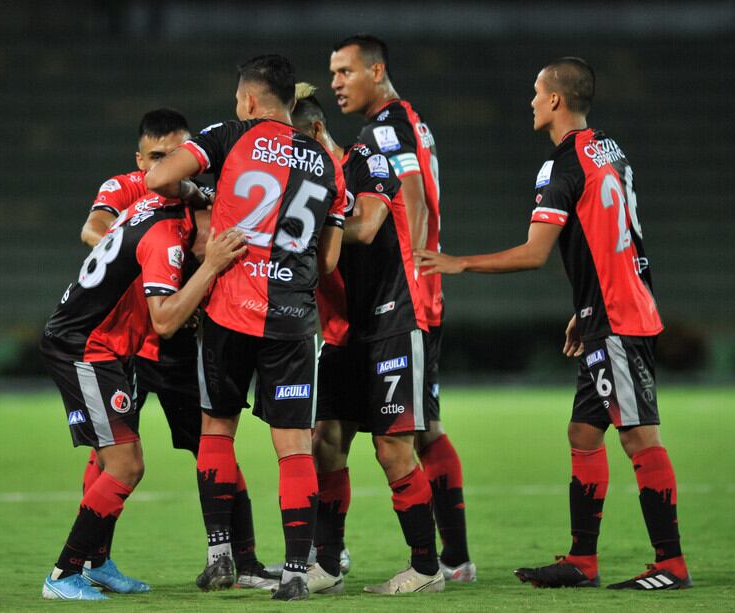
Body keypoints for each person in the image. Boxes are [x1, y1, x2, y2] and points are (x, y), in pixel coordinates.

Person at [416, 57, 692, 591]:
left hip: (617, 318)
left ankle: (671, 564)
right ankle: (581, 561)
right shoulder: (610, 151)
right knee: (584, 432)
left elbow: (534, 253)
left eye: (537, 93)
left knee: (639, 437)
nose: (531, 101)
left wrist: (460, 263)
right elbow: (618, 236)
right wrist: (583, 306)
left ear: (556, 101)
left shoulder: (562, 167)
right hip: (609, 309)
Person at [146, 55, 346, 601]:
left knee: (217, 430)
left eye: (240, 98)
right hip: (292, 319)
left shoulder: (231, 135)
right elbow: (328, 260)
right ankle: (298, 573)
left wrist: (199, 195)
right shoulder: (328, 163)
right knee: (294, 448)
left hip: (231, 309)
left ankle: (219, 558)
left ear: (252, 101)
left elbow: (159, 176)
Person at [78, 109, 275, 591]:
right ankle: (91, 559)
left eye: (177, 155)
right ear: (141, 158)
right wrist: (153, 268)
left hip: (180, 347)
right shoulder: (125, 187)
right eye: (158, 157)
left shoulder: (200, 196)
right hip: (130, 344)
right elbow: (93, 231)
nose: (168, 165)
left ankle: (241, 559)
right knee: (110, 457)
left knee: (213, 443)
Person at [39, 191, 245, 600]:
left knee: (112, 458)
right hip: (85, 347)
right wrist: (212, 266)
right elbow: (165, 321)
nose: (221, 238)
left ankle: (96, 563)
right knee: (126, 465)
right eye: (218, 227)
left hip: (108, 347)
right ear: (202, 211)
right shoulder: (170, 236)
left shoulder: (155, 209)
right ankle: (63, 575)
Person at [330, 33, 475, 582]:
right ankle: (457, 560)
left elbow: (408, 189)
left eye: (345, 71)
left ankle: (434, 564)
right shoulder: (406, 122)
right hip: (420, 296)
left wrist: (414, 263)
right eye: (333, 73)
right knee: (428, 428)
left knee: (403, 438)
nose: (337, 83)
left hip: (405, 299)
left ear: (376, 69)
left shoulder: (387, 125)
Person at [291, 83, 443, 595]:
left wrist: (296, 228)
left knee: (392, 448)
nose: (290, 159)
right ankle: (328, 565)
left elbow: (369, 223)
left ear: (316, 131)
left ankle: (427, 568)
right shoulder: (299, 185)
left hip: (391, 323)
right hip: (339, 333)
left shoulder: (366, 160)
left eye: (296, 145)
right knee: (325, 442)